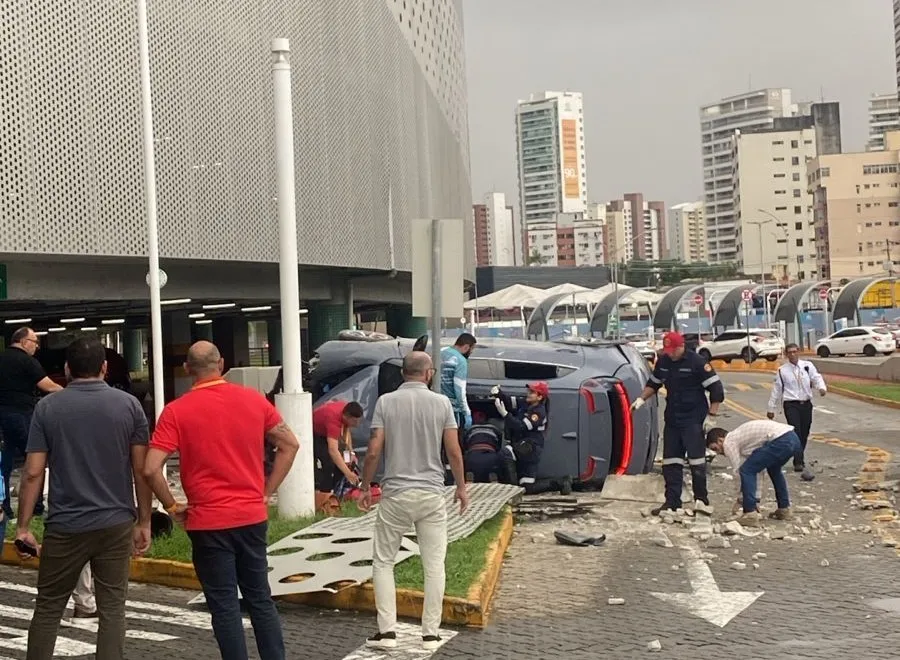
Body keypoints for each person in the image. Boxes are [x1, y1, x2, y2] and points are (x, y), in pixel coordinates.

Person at [143, 341, 299, 660]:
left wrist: (172, 507)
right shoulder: (254, 400)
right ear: (222, 364)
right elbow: (290, 445)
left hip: (207, 522)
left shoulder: (176, 411)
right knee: (260, 598)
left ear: (187, 369)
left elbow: (150, 468)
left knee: (224, 605)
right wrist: (266, 491)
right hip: (251, 517)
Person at [15, 337, 153, 660]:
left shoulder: (47, 408)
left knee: (48, 607)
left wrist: (23, 527)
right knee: (112, 609)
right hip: (116, 524)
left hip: (65, 525)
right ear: (104, 368)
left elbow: (33, 472)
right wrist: (144, 520)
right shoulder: (129, 406)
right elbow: (141, 470)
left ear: (66, 369)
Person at [359, 351, 468, 652]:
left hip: (396, 495)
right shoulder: (442, 403)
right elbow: (454, 450)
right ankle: (431, 633)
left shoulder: (386, 402)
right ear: (428, 373)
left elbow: (373, 450)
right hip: (432, 494)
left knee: (383, 562)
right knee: (434, 565)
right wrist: (461, 487)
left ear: (403, 373)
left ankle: (387, 632)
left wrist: (365, 486)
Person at [631, 331, 725, 517]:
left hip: (693, 418)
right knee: (671, 461)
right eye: (668, 351)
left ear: (681, 346)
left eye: (673, 350)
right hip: (673, 418)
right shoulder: (664, 362)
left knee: (697, 462)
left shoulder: (697, 362)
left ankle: (701, 501)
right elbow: (654, 383)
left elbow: (716, 390)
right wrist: (641, 399)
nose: (670, 354)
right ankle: (672, 502)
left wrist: (711, 416)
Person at [0, 327, 63, 518]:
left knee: (4, 463)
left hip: (2, 417)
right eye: (35, 342)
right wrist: (71, 393)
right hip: (21, 415)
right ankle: (36, 506)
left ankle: (4, 506)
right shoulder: (27, 361)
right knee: (35, 458)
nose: (36, 346)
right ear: (23, 341)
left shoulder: (2, 358)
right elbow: (48, 386)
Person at [706, 419, 802, 526]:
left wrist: (741, 500)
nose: (718, 453)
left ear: (720, 440)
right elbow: (758, 470)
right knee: (773, 470)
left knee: (746, 470)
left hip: (781, 440)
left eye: (715, 448)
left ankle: (749, 514)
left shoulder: (729, 441)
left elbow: (738, 472)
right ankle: (784, 508)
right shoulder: (743, 442)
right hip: (793, 438)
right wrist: (756, 499)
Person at [767, 343, 826, 481]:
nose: (792, 354)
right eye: (790, 352)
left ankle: (798, 455)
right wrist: (771, 408)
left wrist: (821, 388)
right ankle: (798, 461)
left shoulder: (807, 366)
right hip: (791, 404)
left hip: (806, 403)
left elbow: (816, 377)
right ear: (786, 354)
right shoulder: (782, 370)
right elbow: (777, 389)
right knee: (796, 432)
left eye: (795, 352)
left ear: (798, 352)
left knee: (805, 432)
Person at [492, 382, 559, 493]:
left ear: (540, 397)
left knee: (506, 452)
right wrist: (499, 394)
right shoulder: (526, 403)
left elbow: (521, 426)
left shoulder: (538, 412)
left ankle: (512, 490)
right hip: (524, 446)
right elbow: (509, 401)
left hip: (529, 448)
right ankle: (560, 483)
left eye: (532, 392)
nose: (528, 394)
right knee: (527, 487)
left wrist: (505, 414)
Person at [312, 400, 365, 494]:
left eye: (359, 421)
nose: (357, 424)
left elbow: (346, 432)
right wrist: (349, 474)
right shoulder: (333, 421)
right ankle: (326, 493)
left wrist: (351, 453)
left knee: (344, 461)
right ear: (346, 417)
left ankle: (338, 490)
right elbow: (333, 451)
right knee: (329, 463)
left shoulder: (346, 409)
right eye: (355, 421)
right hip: (315, 432)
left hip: (326, 428)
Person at [440, 333, 476, 431]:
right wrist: (466, 412)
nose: (471, 352)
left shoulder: (441, 352)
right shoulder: (460, 361)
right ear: (466, 347)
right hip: (451, 409)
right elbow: (459, 389)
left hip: (436, 403)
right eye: (472, 349)